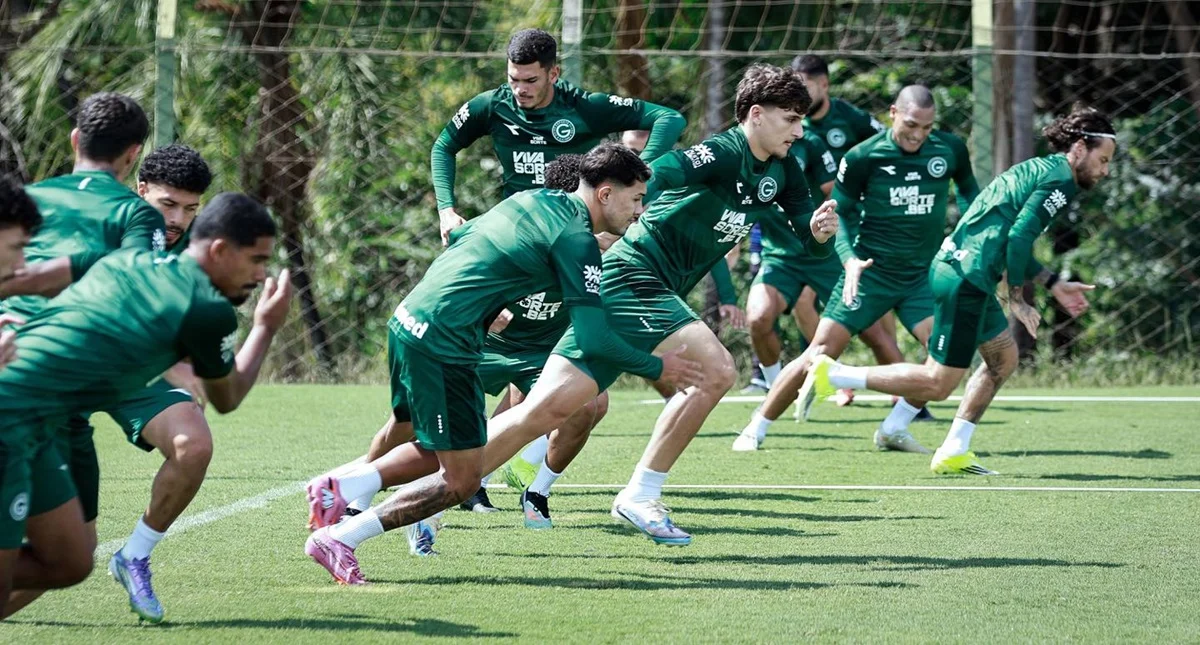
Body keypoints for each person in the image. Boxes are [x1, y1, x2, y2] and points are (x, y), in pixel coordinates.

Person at [303, 144, 701, 584]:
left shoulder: (532, 198)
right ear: (605, 194)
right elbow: (593, 338)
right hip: (444, 341)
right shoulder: (577, 240)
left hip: (409, 319)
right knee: (461, 481)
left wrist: (483, 294)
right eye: (636, 199)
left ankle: (340, 487)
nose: (640, 211)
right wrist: (656, 367)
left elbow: (461, 238)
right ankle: (340, 537)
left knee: (444, 447)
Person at [476, 63, 838, 547]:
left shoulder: (785, 169)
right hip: (635, 273)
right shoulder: (722, 153)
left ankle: (428, 486)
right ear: (756, 114)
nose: (799, 130)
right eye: (791, 119)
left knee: (542, 411)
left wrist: (818, 234)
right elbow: (659, 171)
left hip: (647, 285)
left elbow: (809, 240)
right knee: (716, 371)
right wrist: (624, 209)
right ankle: (640, 495)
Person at [0, 193, 292, 618]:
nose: (261, 275)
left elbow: (29, 278)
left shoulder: (124, 258)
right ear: (219, 250)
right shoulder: (207, 309)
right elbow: (227, 397)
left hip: (42, 428)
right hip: (10, 419)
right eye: (256, 260)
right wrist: (265, 327)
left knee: (71, 561)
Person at [800, 106, 1113, 475]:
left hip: (962, 270)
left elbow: (1004, 235)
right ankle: (835, 375)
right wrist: (1017, 298)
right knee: (938, 383)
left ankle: (942, 444)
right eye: (1103, 160)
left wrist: (1053, 282)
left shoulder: (1041, 168)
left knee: (1003, 359)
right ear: (1080, 147)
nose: (1105, 170)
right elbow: (1019, 236)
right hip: (968, 278)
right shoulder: (1060, 179)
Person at [3, 144, 217, 622]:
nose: (178, 219)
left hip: (132, 369)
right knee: (70, 551)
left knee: (194, 445)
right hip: (66, 368)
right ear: (139, 188)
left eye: (190, 208)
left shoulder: (194, 244)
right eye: (168, 204)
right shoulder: (104, 219)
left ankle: (134, 556)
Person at [736, 85, 980, 452]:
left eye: (927, 127)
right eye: (911, 124)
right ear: (893, 113)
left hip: (922, 277)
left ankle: (894, 427)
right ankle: (756, 427)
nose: (918, 135)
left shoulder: (949, 149)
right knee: (819, 351)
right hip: (870, 273)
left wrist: (970, 240)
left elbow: (970, 195)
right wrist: (849, 260)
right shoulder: (863, 156)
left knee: (947, 359)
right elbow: (837, 212)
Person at [431, 28, 685, 246]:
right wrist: (446, 211)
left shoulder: (585, 107)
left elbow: (669, 118)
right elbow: (443, 147)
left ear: (553, 74)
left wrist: (640, 176)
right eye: (513, 79)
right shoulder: (491, 106)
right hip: (516, 229)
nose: (520, 90)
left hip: (578, 233)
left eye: (530, 80)